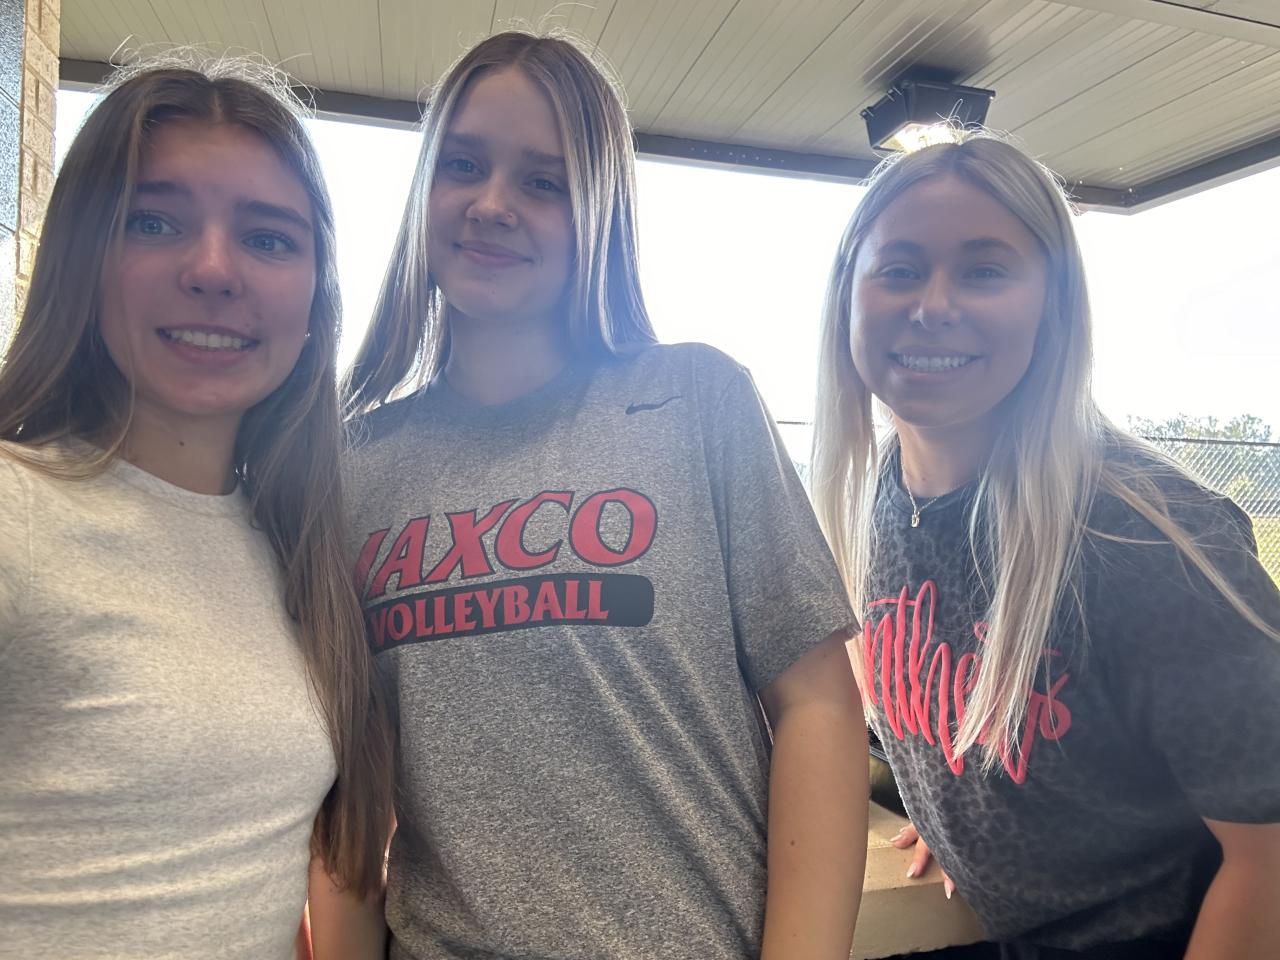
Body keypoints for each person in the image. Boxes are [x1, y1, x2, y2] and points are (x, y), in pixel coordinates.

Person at [343, 30, 868, 960]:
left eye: (543, 181)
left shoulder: (696, 399)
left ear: (601, 213)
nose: (491, 204)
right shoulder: (357, 464)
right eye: (463, 165)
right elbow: (350, 794)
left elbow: (818, 706)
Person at [810, 132, 1280, 959]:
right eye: (901, 268)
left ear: (1053, 307)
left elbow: (1267, 856)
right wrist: (951, 813)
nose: (934, 304)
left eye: (985, 271)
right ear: (848, 295)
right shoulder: (873, 495)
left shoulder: (1151, 539)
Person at [0, 60, 393, 959]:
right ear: (82, 262)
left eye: (268, 239)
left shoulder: (297, 556)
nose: (214, 270)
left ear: (315, 300)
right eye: (153, 222)